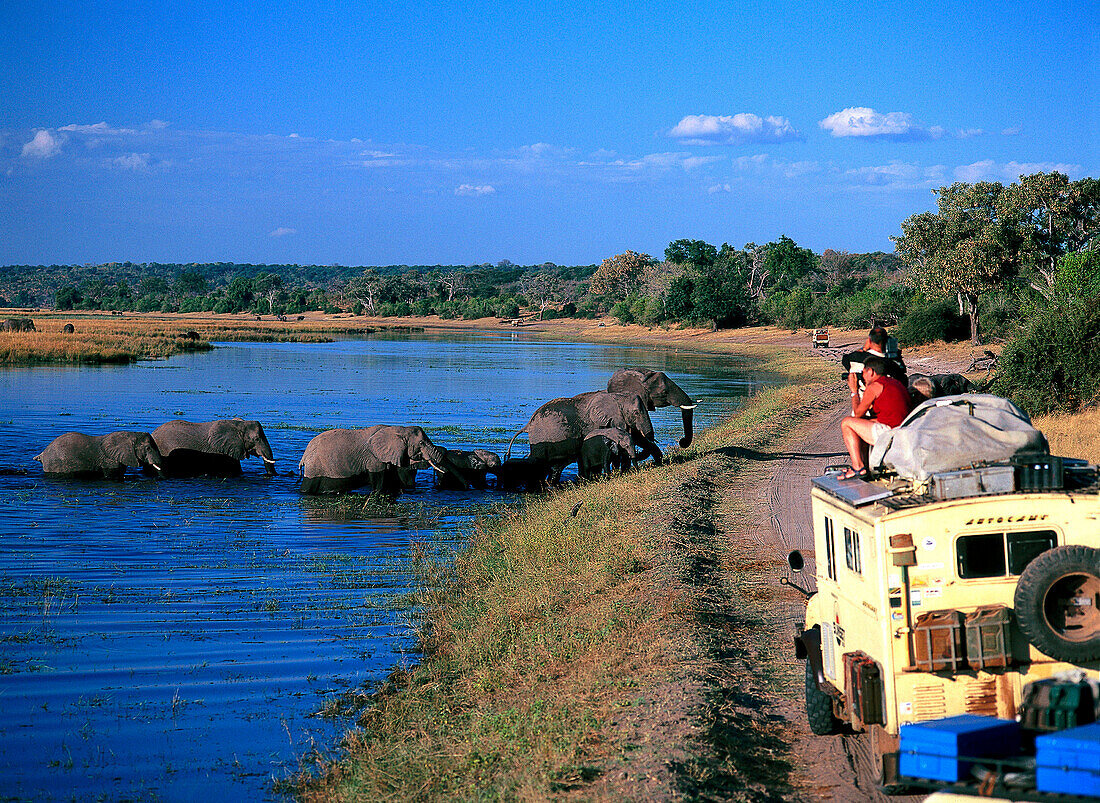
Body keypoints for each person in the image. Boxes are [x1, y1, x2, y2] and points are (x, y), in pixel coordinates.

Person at [839, 356, 911, 479]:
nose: (863, 377)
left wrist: (854, 392)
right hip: (903, 431)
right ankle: (865, 467)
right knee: (862, 423)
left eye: (863, 373)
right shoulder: (895, 383)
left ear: (871, 372)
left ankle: (858, 467)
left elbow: (856, 414)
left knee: (847, 423)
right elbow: (891, 415)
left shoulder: (875, 386)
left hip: (889, 434)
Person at [842, 326, 906, 413]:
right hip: (885, 409)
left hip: (861, 407)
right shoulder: (892, 364)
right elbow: (903, 377)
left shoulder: (855, 358)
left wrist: (864, 349)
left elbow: (845, 359)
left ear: (869, 341)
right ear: (886, 342)